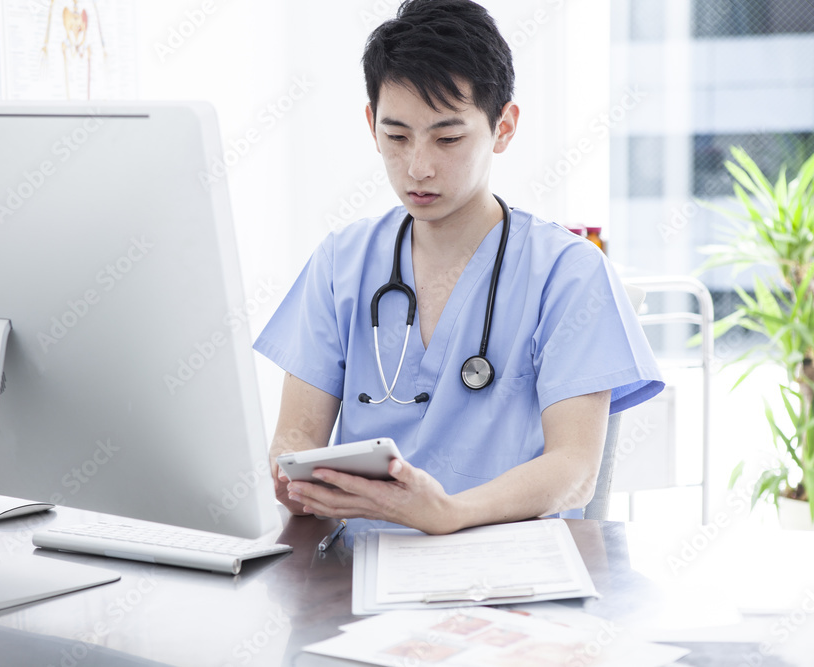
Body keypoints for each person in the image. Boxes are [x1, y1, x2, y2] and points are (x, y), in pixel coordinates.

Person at [253, 0, 663, 535]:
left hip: (506, 574)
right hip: (359, 572)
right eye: (396, 137)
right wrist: (294, 478)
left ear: (504, 127)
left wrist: (447, 514)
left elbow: (574, 471)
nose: (418, 167)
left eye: (448, 138)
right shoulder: (341, 263)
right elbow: (295, 440)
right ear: (371, 122)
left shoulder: (569, 274)